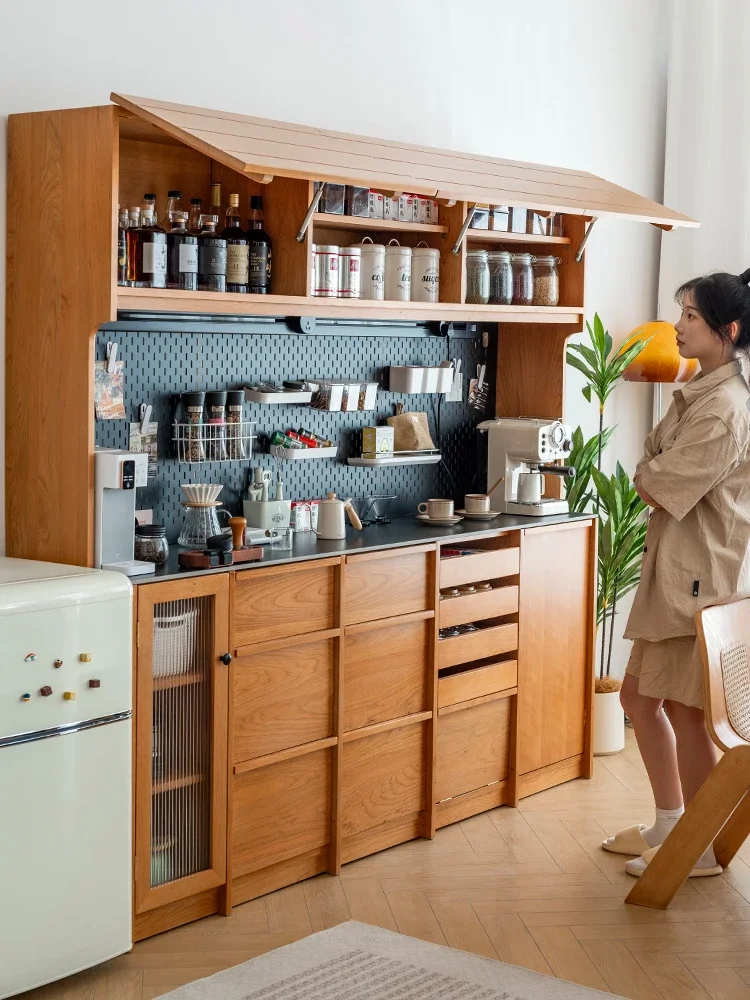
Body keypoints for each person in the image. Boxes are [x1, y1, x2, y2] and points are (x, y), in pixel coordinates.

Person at [602, 269, 750, 877]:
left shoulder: (723, 409)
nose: (678, 325)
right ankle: (671, 819)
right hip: (677, 568)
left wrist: (651, 473)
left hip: (695, 576)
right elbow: (647, 465)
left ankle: (698, 845)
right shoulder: (698, 392)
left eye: (690, 315)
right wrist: (650, 473)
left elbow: (657, 485)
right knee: (639, 698)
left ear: (728, 331)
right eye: (681, 312)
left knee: (687, 712)